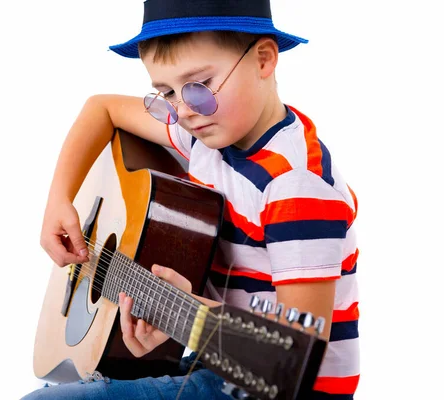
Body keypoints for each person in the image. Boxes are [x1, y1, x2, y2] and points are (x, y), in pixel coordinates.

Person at [25, 0, 360, 399]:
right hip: (219, 363)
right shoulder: (202, 136)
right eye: (165, 92)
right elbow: (102, 109)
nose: (183, 111)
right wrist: (59, 200)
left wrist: (184, 316)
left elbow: (289, 361)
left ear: (264, 60)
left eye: (199, 87)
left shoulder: (295, 187)